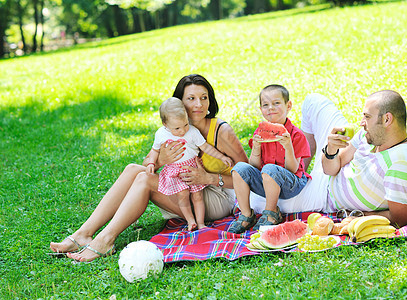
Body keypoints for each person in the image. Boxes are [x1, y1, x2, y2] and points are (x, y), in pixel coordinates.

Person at [50, 74, 248, 262]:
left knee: (144, 180)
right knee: (132, 170)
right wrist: (161, 160)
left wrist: (209, 178)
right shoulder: (174, 128)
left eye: (204, 98)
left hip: (217, 197)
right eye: (191, 98)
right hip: (186, 189)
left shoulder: (221, 131)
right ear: (179, 103)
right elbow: (148, 163)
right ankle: (83, 234)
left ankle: (105, 240)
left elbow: (250, 177)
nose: (199, 104)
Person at [249, 90, 407, 228]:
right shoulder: (371, 134)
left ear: (387, 119)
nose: (361, 123)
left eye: (367, 117)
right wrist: (330, 150)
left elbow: (400, 219)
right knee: (313, 101)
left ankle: (295, 179)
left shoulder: (400, 162)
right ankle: (298, 170)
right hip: (328, 174)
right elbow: (331, 168)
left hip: (323, 195)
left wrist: (359, 218)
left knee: (254, 199)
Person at [228, 84, 311, 234]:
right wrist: (256, 148)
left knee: (269, 169)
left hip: (292, 184)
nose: (271, 108)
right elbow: (253, 166)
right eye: (265, 105)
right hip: (266, 182)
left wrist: (288, 147)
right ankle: (247, 214)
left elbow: (293, 170)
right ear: (261, 110)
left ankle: (272, 212)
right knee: (239, 168)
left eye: (276, 103)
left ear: (289, 105)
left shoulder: (296, 135)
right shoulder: (260, 132)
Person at [146, 97, 233, 231]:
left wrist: (221, 156)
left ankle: (201, 223)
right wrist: (152, 162)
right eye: (177, 128)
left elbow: (206, 147)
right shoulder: (161, 134)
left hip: (193, 168)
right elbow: (154, 150)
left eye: (185, 124)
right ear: (165, 124)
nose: (182, 131)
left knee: (198, 196)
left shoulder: (192, 132)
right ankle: (190, 220)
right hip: (174, 171)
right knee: (183, 195)